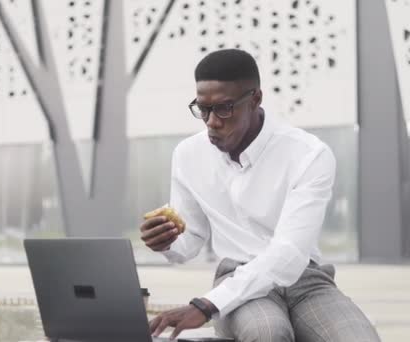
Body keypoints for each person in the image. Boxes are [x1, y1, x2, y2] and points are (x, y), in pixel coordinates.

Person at [140, 49, 380, 342]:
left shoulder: (308, 154)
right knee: (268, 333)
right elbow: (189, 242)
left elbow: (289, 253)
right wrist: (166, 242)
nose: (212, 121)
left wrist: (208, 304)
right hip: (236, 278)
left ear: (255, 99)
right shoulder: (189, 155)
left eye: (224, 108)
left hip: (305, 280)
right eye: (203, 108)